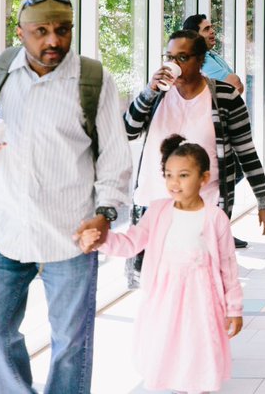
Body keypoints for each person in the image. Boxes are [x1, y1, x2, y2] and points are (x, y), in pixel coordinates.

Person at [0, 0, 132, 394]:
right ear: (21, 33)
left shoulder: (92, 79)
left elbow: (114, 155)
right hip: (3, 229)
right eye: (42, 32)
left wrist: (105, 213)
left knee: (71, 343)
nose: (54, 40)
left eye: (63, 30)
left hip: (70, 233)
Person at [79, 136, 242, 394]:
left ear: (204, 178)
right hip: (164, 299)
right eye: (168, 175)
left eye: (184, 175)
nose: (174, 183)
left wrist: (234, 308)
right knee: (169, 351)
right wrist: (102, 240)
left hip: (202, 300)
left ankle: (199, 389)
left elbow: (228, 267)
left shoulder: (214, 217)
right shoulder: (157, 211)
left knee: (198, 349)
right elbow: (131, 243)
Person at [124, 30, 265, 257]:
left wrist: (263, 200)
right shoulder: (157, 95)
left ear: (201, 60)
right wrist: (148, 91)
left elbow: (246, 152)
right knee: (155, 276)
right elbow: (128, 131)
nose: (174, 64)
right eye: (169, 57)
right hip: (152, 207)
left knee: (199, 273)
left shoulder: (225, 97)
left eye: (182, 57)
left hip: (204, 210)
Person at [184, 14, 244, 94]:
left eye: (211, 27)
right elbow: (235, 83)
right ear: (194, 36)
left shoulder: (212, 55)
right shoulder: (199, 57)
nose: (212, 31)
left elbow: (239, 86)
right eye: (206, 29)